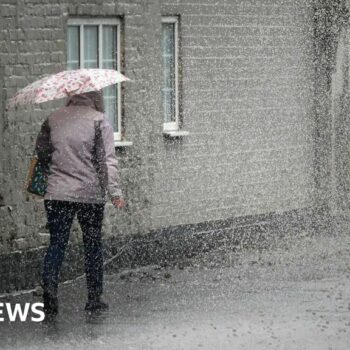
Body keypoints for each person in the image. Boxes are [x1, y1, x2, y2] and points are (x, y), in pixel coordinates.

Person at [35, 90, 125, 315]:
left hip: (57, 193)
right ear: (96, 98)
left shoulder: (53, 118)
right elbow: (106, 161)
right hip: (89, 194)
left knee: (57, 243)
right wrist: (114, 192)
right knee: (92, 245)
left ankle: (50, 292)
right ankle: (94, 299)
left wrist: (56, 175)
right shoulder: (98, 120)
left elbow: (42, 154)